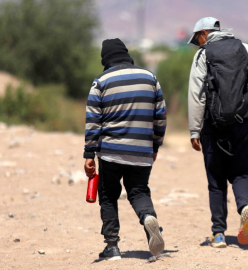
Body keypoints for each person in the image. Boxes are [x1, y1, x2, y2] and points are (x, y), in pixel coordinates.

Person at [84, 38, 167, 260]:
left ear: (105, 59)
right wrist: (155, 144)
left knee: (109, 196)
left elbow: (93, 120)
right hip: (142, 150)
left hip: (111, 151)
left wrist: (89, 154)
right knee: (138, 190)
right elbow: (160, 116)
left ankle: (112, 246)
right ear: (126, 54)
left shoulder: (100, 81)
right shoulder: (150, 77)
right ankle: (149, 218)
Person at [187, 17, 248, 248]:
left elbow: (196, 94)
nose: (198, 43)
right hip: (244, 123)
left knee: (216, 180)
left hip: (214, 126)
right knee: (242, 173)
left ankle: (219, 233)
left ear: (204, 33)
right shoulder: (244, 48)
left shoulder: (203, 55)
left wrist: (194, 129)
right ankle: (245, 207)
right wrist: (240, 107)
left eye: (197, 38)